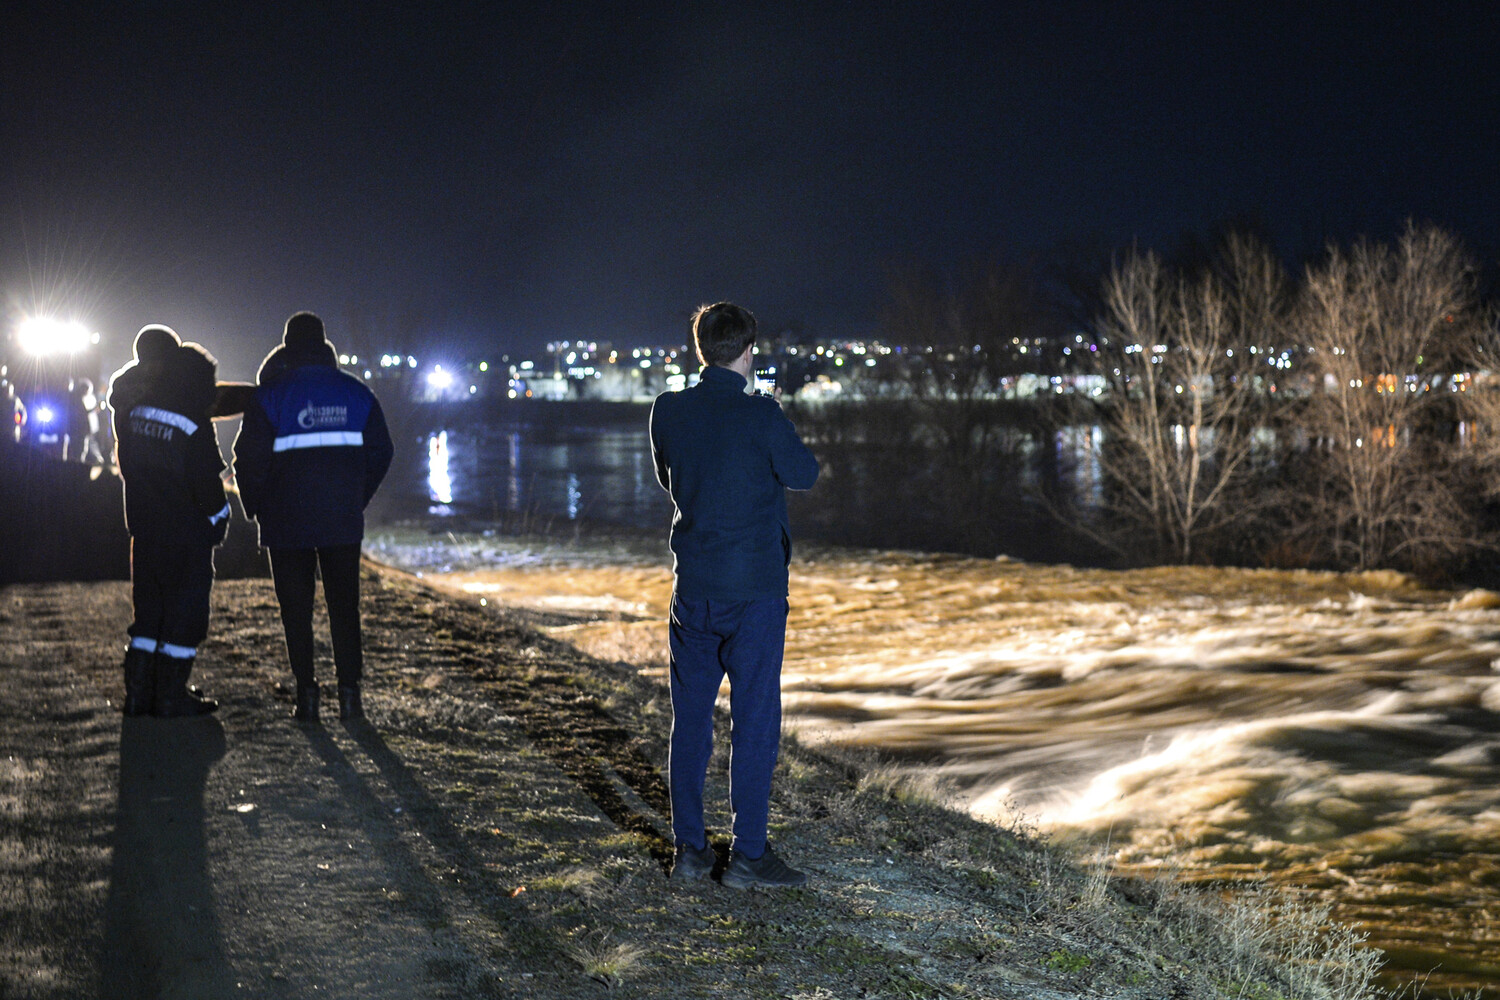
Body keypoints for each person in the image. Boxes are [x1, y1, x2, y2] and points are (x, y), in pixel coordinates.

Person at [648, 301, 820, 888]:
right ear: (748, 351)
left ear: (701, 351)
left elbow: (670, 477)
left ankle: (690, 852)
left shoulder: (667, 411)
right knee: (754, 721)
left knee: (689, 723)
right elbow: (805, 473)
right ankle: (748, 856)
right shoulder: (762, 416)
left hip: (693, 587)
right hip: (756, 593)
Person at [232, 312, 393, 723]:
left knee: (296, 610)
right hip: (341, 520)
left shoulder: (270, 396)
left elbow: (246, 461)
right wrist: (357, 497)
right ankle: (351, 697)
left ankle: (306, 696)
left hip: (286, 524)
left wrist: (259, 507)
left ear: (287, 347)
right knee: (344, 607)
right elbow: (382, 452)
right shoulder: (357, 394)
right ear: (325, 346)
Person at [108, 326, 230, 717]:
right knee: (185, 613)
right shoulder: (191, 419)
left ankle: (139, 695)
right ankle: (171, 695)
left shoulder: (134, 410)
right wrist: (219, 516)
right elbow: (205, 482)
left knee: (148, 612)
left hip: (144, 527)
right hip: (186, 533)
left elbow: (128, 465)